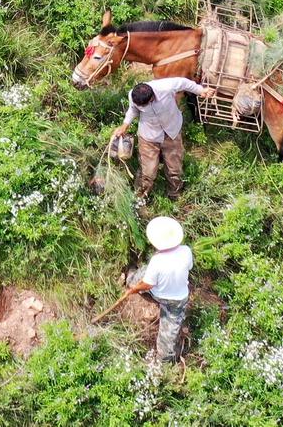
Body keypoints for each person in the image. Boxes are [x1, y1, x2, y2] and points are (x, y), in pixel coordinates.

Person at [110, 77, 210, 201]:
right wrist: (125, 125)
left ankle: (174, 195)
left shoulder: (166, 87)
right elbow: (133, 109)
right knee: (148, 172)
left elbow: (185, 83)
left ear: (152, 98)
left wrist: (200, 90)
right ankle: (141, 197)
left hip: (171, 132)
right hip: (149, 136)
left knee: (174, 168)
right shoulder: (133, 95)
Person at [124, 215, 194, 363]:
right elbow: (189, 267)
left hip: (161, 295)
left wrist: (134, 290)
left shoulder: (157, 261)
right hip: (180, 298)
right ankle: (165, 361)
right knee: (169, 333)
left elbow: (147, 285)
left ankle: (129, 276)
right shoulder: (186, 251)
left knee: (139, 277)